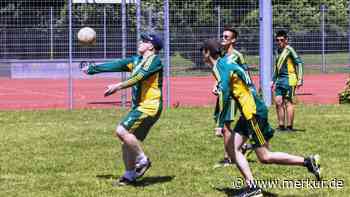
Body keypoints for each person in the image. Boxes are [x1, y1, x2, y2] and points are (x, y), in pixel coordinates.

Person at [201, 38, 321, 197]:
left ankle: (307, 162)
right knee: (233, 148)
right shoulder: (226, 63)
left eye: (202, 52)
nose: (202, 55)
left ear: (207, 53)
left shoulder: (219, 67)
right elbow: (235, 82)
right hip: (249, 110)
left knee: (265, 156)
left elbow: (225, 95)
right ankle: (252, 187)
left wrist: (220, 122)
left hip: (253, 112)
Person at [82, 32, 164, 186]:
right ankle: (129, 176)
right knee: (126, 141)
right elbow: (117, 64)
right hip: (141, 107)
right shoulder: (136, 60)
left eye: (144, 41)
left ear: (151, 46)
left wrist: (117, 86)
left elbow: (138, 77)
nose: (140, 42)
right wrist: (92, 69)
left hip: (149, 106)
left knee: (121, 131)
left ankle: (143, 160)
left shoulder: (154, 61)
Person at [213, 26, 254, 166]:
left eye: (226, 37)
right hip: (225, 93)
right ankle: (242, 147)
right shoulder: (223, 56)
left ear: (233, 40)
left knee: (225, 126)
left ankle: (229, 157)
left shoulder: (237, 56)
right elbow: (224, 76)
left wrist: (251, 90)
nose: (223, 39)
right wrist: (217, 85)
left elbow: (246, 74)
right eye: (222, 36)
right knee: (226, 126)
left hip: (233, 96)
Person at [271, 30, 304, 131]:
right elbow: (277, 67)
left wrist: (300, 79)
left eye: (281, 40)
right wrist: (273, 80)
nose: (279, 42)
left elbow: (299, 63)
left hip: (290, 79)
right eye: (277, 40)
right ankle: (281, 126)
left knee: (288, 102)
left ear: (286, 40)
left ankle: (289, 127)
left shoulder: (289, 49)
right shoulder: (278, 51)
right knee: (278, 102)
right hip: (280, 80)